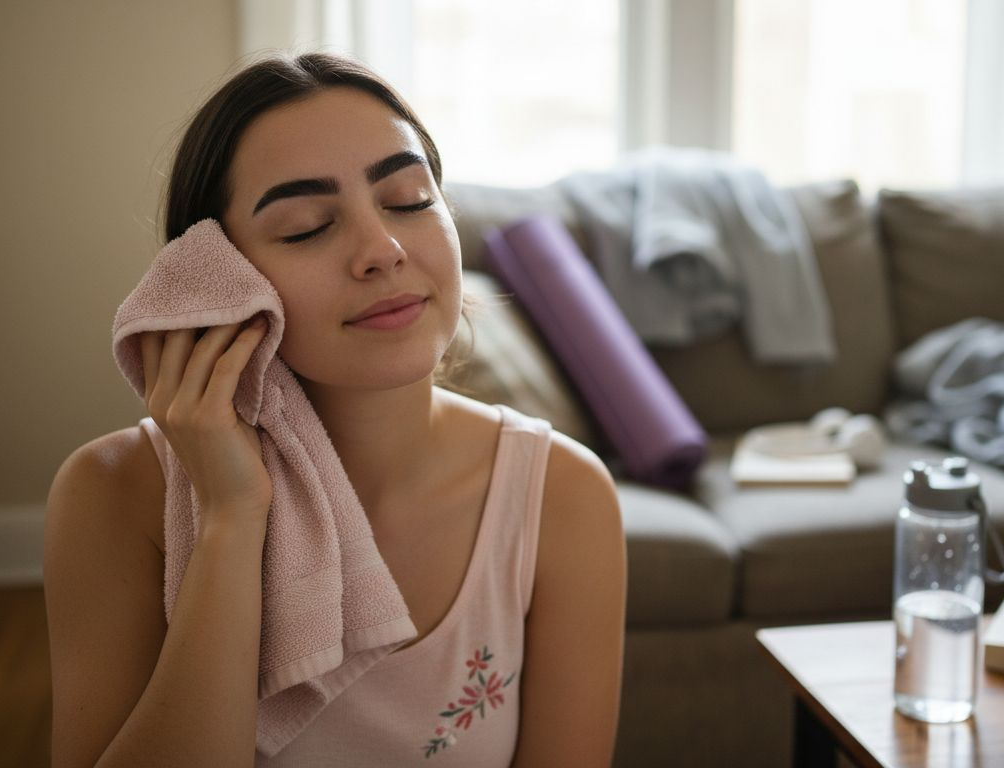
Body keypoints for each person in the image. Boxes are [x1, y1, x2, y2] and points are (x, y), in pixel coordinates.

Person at [43, 52, 625, 767]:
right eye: (306, 226)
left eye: (410, 199)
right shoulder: (112, 493)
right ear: (217, 284)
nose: (381, 250)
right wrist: (230, 519)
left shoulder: (562, 495)